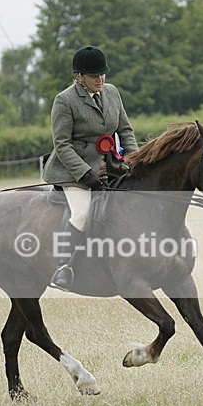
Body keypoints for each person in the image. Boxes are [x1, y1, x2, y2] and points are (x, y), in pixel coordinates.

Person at [43, 45, 138, 291]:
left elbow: (125, 130)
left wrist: (135, 159)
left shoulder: (112, 93)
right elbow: (62, 145)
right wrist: (85, 173)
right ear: (79, 76)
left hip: (110, 166)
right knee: (82, 213)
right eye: (94, 75)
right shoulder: (65, 101)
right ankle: (63, 267)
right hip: (73, 172)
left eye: (103, 74)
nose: (100, 79)